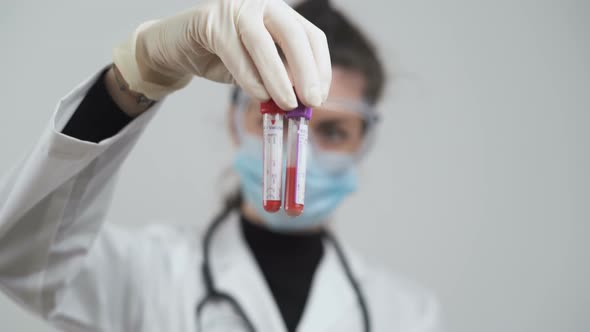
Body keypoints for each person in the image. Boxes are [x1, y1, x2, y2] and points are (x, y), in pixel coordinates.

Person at [0, 0, 441, 331]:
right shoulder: (147, 272)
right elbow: (15, 257)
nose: (297, 152)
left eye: (334, 131)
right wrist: (138, 74)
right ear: (235, 121)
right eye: (274, 117)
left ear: (364, 140)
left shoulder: (406, 314)